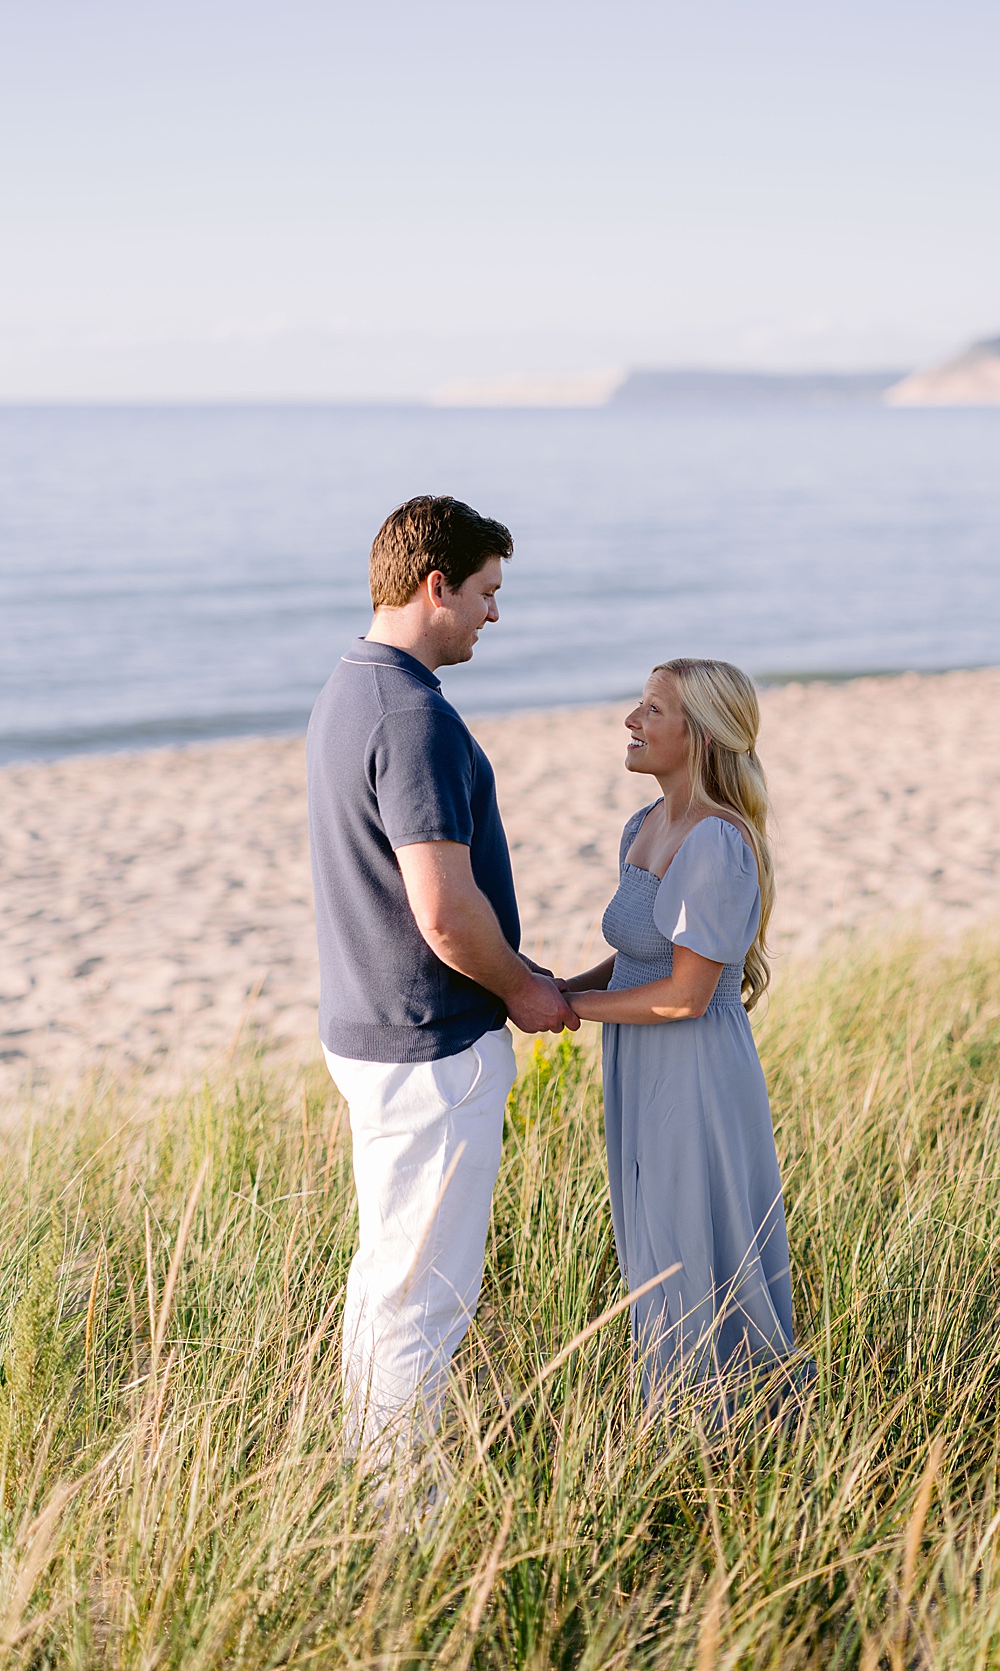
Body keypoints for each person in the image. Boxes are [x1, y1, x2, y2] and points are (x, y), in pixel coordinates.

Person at [307, 494, 578, 1462]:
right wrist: (524, 990)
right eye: (485, 593)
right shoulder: (410, 715)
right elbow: (444, 914)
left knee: (388, 1277)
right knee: (424, 1294)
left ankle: (362, 1477)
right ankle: (401, 1523)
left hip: (369, 1025)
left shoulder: (349, 686)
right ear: (436, 586)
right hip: (429, 1041)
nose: (492, 615)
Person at [562, 658, 803, 1406]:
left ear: (698, 736)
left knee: (694, 1237)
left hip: (692, 1065)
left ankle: (730, 1423)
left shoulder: (716, 843)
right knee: (651, 1241)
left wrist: (567, 1012)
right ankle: (675, 1414)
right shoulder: (645, 826)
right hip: (639, 1059)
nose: (632, 721)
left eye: (654, 709)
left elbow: (687, 994)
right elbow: (642, 955)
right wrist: (560, 986)